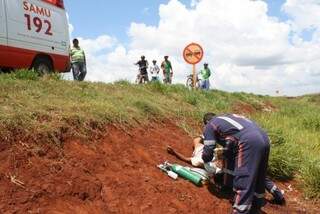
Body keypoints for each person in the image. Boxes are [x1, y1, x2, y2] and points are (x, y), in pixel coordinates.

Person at [167, 137, 285, 206]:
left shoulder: (203, 154)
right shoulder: (199, 158)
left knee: (252, 175)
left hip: (238, 155)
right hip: (248, 153)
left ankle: (259, 194)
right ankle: (273, 195)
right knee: (258, 176)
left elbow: (197, 143)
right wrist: (174, 152)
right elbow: (190, 153)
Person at [201, 112, 273, 213]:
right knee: (259, 174)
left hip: (249, 139)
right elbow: (231, 149)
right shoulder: (227, 118)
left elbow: (208, 149)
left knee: (244, 175)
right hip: (264, 137)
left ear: (206, 122)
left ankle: (240, 210)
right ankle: (256, 204)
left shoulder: (210, 124)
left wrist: (205, 160)